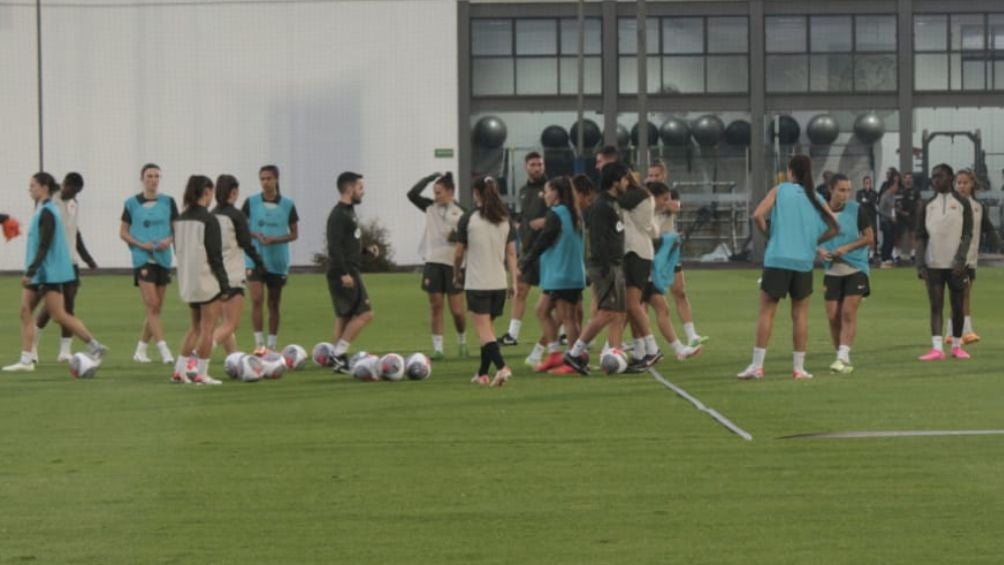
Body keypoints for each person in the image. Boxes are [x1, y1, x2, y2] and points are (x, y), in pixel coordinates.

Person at [737, 155, 838, 380]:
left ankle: (757, 366)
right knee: (800, 315)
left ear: (791, 171)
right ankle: (799, 368)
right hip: (803, 262)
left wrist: (769, 235)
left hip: (778, 258)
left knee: (767, 312)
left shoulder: (780, 189)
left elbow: (757, 215)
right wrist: (813, 242)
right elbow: (834, 227)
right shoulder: (816, 197)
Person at [3, 173, 107, 372]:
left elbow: (45, 244)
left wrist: (31, 271)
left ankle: (95, 346)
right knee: (26, 311)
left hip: (46, 272)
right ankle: (26, 360)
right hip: (42, 271)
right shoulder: (43, 208)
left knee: (59, 315)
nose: (30, 188)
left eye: (32, 185)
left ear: (44, 187)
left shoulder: (49, 211)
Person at [563, 162, 631, 376]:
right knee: (607, 312)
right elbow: (598, 240)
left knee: (619, 312)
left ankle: (613, 355)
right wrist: (604, 268)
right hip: (605, 265)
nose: (627, 182)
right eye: (625, 178)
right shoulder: (602, 206)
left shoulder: (613, 203)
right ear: (615, 181)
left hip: (614, 264)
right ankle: (574, 353)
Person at [454, 176, 518, 387]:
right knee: (488, 331)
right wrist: (514, 282)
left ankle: (502, 367)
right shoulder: (505, 219)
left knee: (483, 331)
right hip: (499, 283)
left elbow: (458, 252)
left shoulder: (469, 218)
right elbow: (511, 254)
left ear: (476, 193)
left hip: (478, 282)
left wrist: (456, 272)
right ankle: (482, 373)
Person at [518, 176, 586, 374]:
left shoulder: (556, 214)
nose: (544, 195)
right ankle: (555, 354)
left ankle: (574, 360)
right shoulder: (573, 213)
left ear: (556, 193)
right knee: (542, 310)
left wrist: (525, 261)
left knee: (568, 318)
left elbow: (544, 241)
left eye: (547, 191)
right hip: (567, 273)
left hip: (562, 274)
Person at [32, 172, 98, 362]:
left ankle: (64, 351)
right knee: (52, 308)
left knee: (69, 305)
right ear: (65, 184)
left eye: (77, 192)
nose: (73, 195)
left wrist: (87, 258)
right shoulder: (50, 201)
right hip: (52, 262)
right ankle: (33, 346)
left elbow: (75, 232)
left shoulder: (73, 204)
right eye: (71, 190)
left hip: (71, 262)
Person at [172, 175, 229, 385]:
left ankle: (179, 371)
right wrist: (225, 284)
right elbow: (215, 256)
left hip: (188, 280)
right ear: (207, 192)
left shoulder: (179, 219)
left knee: (194, 327)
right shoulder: (208, 219)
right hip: (206, 280)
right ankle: (202, 373)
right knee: (208, 328)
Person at [915, 164, 973, 361]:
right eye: (933, 177)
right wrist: (920, 264)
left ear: (950, 177)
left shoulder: (963, 203)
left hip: (956, 265)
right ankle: (937, 348)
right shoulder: (926, 204)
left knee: (957, 307)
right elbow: (920, 236)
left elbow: (967, 235)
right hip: (933, 265)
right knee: (935, 306)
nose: (935, 180)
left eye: (939, 176)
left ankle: (957, 346)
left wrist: (961, 259)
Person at [121, 163, 177, 365]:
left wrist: (168, 241)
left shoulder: (169, 202)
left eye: (156, 176)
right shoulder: (131, 204)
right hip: (142, 258)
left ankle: (140, 350)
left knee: (156, 309)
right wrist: (139, 244)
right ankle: (165, 351)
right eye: (149, 176)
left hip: (163, 258)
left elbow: (175, 229)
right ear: (142, 179)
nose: (153, 179)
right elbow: (123, 232)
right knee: (152, 305)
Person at [407, 171, 467, 359]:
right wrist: (430, 177)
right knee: (436, 306)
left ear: (450, 191)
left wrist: (456, 237)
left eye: (439, 192)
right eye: (434, 192)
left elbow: (472, 236)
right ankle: (438, 349)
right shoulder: (430, 207)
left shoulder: (463, 212)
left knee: (457, 311)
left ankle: (462, 342)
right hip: (433, 262)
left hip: (454, 265)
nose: (435, 196)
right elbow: (412, 194)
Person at [817, 174, 873, 374]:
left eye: (848, 190)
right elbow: (810, 237)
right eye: (841, 190)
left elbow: (869, 238)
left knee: (847, 312)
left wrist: (846, 248)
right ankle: (840, 356)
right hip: (832, 270)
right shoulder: (821, 211)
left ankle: (843, 356)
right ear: (831, 190)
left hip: (856, 268)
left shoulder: (857, 209)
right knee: (833, 316)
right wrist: (819, 250)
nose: (846, 194)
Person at [242, 165, 299, 355]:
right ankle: (259, 343)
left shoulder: (288, 205)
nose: (265, 182)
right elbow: (240, 228)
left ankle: (273, 345)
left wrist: (276, 239)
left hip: (278, 260)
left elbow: (294, 234)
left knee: (274, 303)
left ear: (276, 180)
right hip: (255, 260)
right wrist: (255, 235)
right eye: (262, 179)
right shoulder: (251, 202)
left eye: (268, 178)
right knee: (257, 299)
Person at [325, 172, 377, 373]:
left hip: (346, 269)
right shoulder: (338, 215)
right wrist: (345, 273)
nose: (362, 192)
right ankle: (338, 354)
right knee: (366, 314)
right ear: (349, 189)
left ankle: (337, 361)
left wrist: (365, 251)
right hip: (345, 272)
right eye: (360, 188)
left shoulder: (349, 212)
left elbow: (348, 244)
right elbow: (334, 246)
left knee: (344, 317)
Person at [644, 183, 701, 361]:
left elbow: (676, 206)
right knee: (625, 313)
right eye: (665, 199)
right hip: (642, 263)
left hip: (659, 260)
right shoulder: (643, 211)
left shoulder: (662, 204)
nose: (668, 202)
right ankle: (596, 348)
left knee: (661, 305)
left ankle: (676, 348)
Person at [212, 175, 266, 354]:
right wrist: (260, 263)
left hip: (212, 275)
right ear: (234, 192)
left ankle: (233, 360)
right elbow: (246, 244)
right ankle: (198, 354)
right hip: (232, 274)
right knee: (232, 324)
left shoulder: (210, 216)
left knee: (224, 322)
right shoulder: (236, 215)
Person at [945, 169, 1000, 346]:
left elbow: (989, 229)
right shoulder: (950, 205)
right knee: (957, 294)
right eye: (958, 183)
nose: (961, 186)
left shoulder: (978, 207)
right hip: (954, 257)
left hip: (971, 257)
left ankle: (966, 331)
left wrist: (1000, 245)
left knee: (966, 293)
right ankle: (950, 331)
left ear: (972, 185)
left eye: (965, 182)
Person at [498, 152, 547, 347]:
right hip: (527, 250)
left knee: (553, 294)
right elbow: (525, 216)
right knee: (520, 290)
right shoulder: (524, 191)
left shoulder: (551, 188)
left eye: (540, 164)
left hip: (546, 250)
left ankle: (561, 333)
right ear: (526, 167)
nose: (537, 168)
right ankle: (512, 334)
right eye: (533, 164)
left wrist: (545, 222)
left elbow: (560, 213)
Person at [620, 173, 661, 371]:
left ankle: (652, 349)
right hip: (638, 253)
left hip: (637, 253)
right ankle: (639, 352)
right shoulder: (640, 197)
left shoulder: (635, 197)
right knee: (633, 306)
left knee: (633, 305)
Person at [876, 171, 900, 267]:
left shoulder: (893, 196)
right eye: (896, 186)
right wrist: (890, 217)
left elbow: (892, 208)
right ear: (891, 186)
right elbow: (880, 210)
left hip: (892, 221)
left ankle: (888, 258)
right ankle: (884, 258)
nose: (897, 188)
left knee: (891, 240)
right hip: (885, 221)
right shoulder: (885, 196)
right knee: (886, 240)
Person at [896, 172, 920, 263]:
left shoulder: (915, 191)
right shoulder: (899, 190)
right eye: (906, 178)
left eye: (910, 178)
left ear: (912, 180)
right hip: (901, 217)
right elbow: (896, 204)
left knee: (912, 235)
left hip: (912, 216)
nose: (908, 179)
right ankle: (897, 255)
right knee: (899, 236)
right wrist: (901, 212)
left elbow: (919, 203)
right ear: (904, 179)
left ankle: (913, 255)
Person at [856, 175, 879, 259]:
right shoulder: (859, 193)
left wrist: (866, 200)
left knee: (872, 235)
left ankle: (872, 254)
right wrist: (866, 201)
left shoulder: (874, 193)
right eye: (866, 183)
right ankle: (864, 253)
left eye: (869, 183)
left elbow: (873, 201)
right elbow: (860, 202)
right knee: (863, 236)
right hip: (863, 217)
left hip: (872, 217)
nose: (867, 184)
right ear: (863, 183)